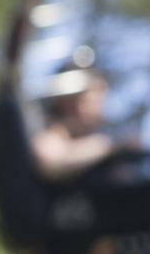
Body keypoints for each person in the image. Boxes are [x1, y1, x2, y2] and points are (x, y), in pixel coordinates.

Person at [30, 47, 120, 178]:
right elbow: (50, 162)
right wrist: (106, 146)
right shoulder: (56, 133)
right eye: (90, 94)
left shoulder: (102, 133)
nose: (99, 103)